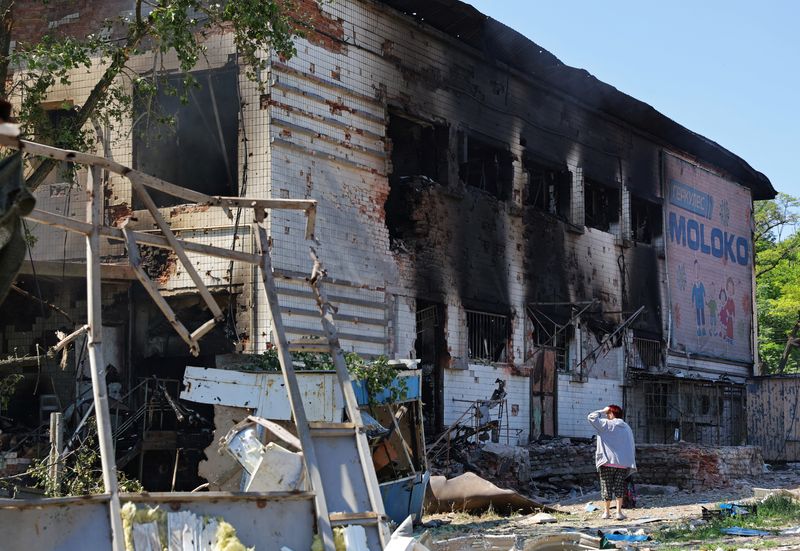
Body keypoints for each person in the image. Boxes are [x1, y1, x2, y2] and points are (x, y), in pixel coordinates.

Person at [588, 405, 636, 520]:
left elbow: (591, 417)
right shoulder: (626, 427)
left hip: (606, 462)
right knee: (619, 487)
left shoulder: (605, 424)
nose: (606, 415)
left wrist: (602, 410)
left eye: (607, 413)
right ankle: (619, 512)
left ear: (611, 413)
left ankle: (606, 512)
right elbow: (631, 445)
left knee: (606, 487)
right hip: (622, 463)